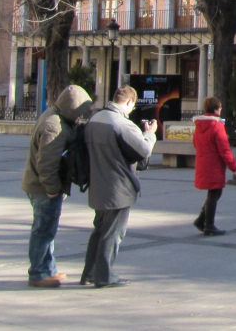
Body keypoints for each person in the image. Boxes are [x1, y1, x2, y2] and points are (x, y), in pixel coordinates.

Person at [81, 86, 156, 288]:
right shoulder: (122, 123)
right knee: (113, 233)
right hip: (117, 187)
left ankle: (89, 273)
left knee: (99, 230)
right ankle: (104, 276)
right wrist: (150, 134)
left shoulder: (95, 119)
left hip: (97, 184)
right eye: (133, 106)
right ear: (130, 102)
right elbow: (144, 150)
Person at [21, 85, 95, 288]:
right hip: (43, 188)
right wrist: (53, 189)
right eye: (81, 110)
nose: (82, 115)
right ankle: (39, 273)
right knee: (43, 230)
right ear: (72, 108)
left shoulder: (55, 116)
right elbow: (46, 163)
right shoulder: (55, 126)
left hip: (40, 185)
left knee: (46, 229)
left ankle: (48, 268)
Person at [192, 97, 236, 236]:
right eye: (220, 108)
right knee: (214, 193)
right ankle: (208, 225)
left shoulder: (199, 125)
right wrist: (234, 166)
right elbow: (224, 148)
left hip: (203, 161)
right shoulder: (217, 126)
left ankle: (201, 219)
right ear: (217, 109)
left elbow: (195, 143)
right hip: (214, 163)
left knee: (214, 192)